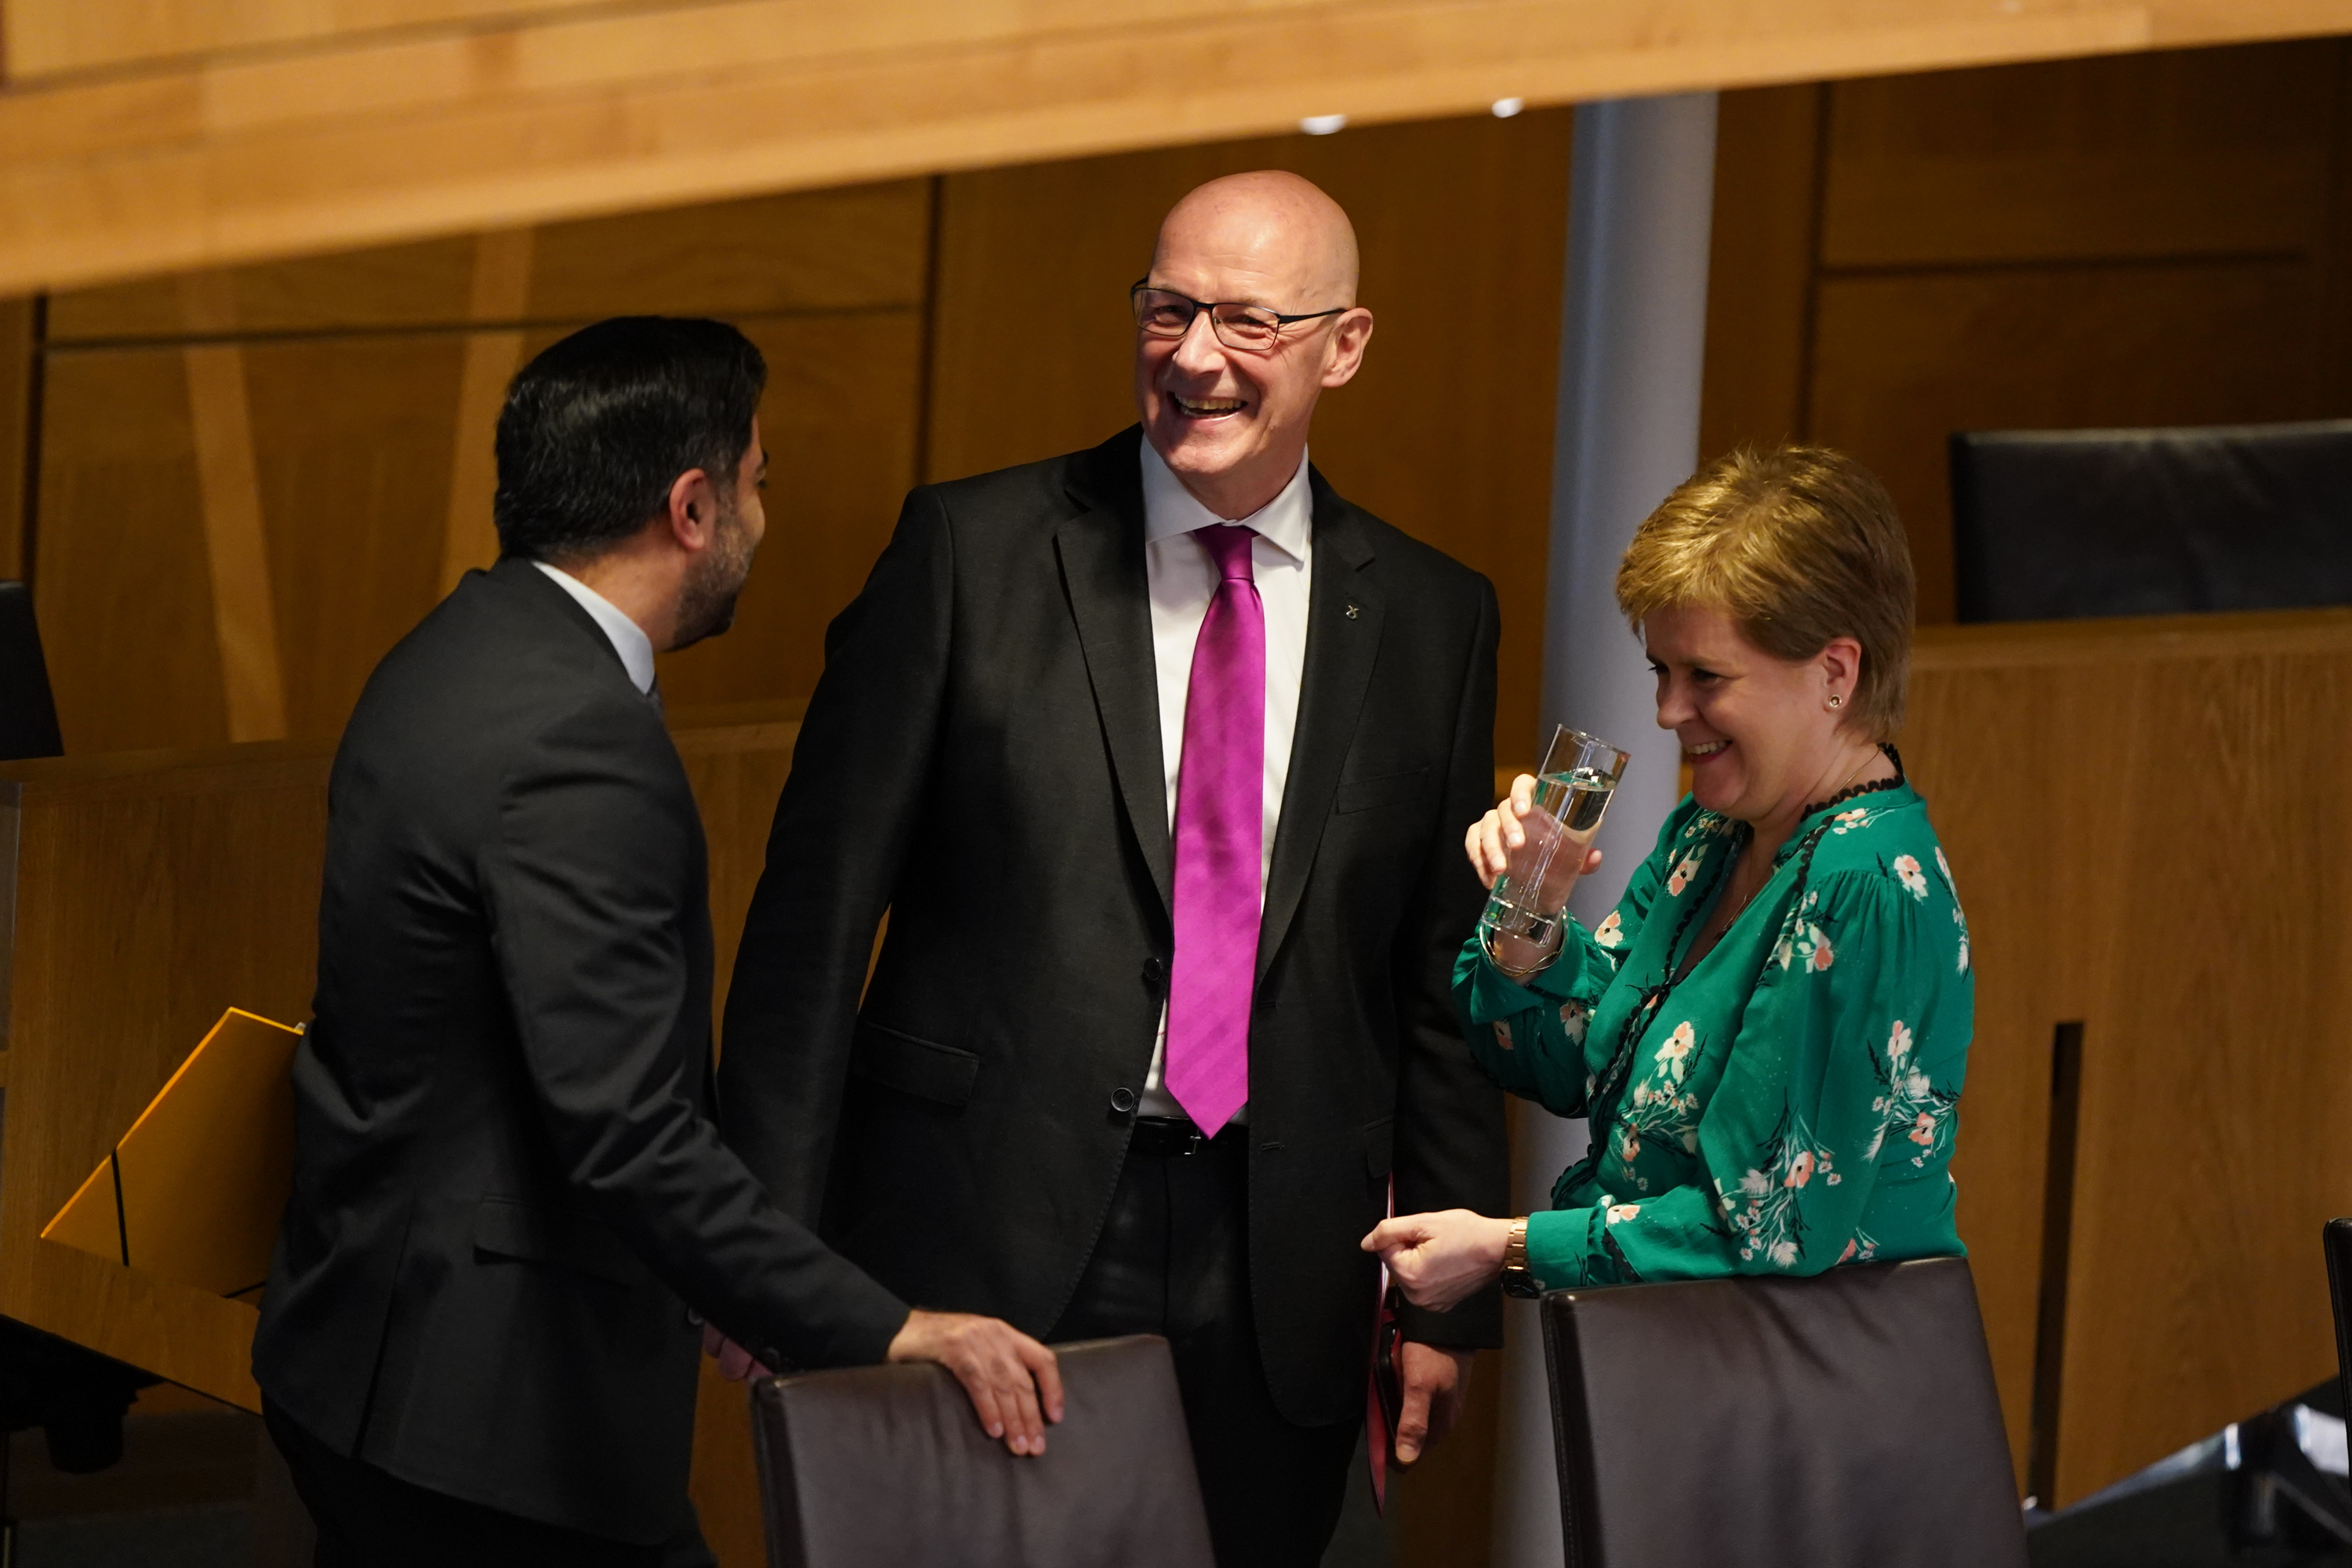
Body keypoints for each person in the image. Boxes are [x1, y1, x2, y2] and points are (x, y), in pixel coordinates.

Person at [717, 172, 1508, 1564]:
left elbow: (1432, 979)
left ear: (1346, 343)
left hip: (1281, 1258)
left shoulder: (1436, 616)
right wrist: (765, 1256)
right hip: (983, 1230)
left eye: (1248, 322)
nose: (1196, 357)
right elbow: (813, 922)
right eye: (1167, 309)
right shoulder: (970, 552)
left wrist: (1441, 1306)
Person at [252, 318, 1061, 1568]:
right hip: (492, 1417)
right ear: (693, 507)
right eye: (758, 481)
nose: (760, 517)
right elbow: (627, 1131)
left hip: (361, 1351)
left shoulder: (456, 649)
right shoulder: (578, 743)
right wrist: (890, 1327)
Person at [1366, 445, 1973, 1308]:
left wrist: (1509, 1245)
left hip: (1794, 1399)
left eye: (1705, 677)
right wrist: (1529, 906)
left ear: (1835, 672)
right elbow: (1574, 1066)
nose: (1666, 712)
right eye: (1661, 670)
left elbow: (1769, 1220)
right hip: (1686, 1357)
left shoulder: (1864, 884)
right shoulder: (1714, 832)